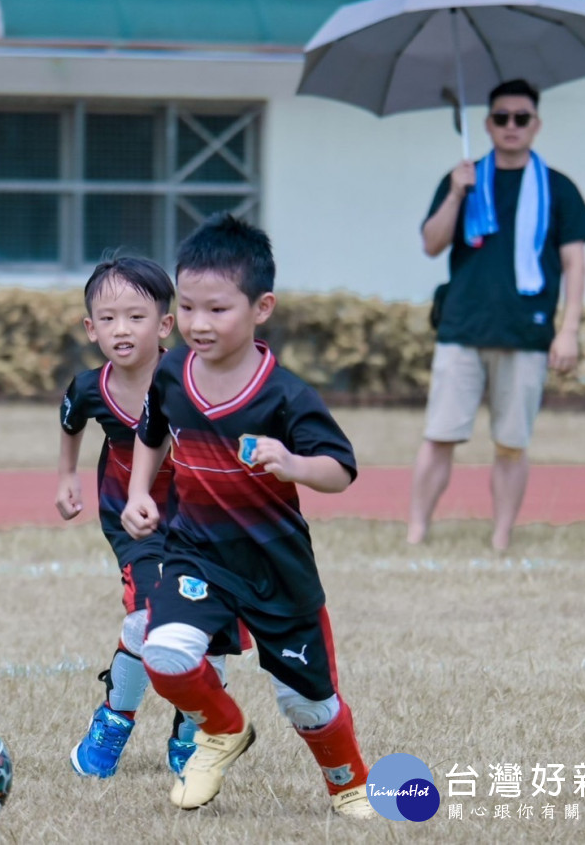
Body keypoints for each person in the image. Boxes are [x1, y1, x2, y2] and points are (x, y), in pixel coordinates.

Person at [121, 214, 374, 818]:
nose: (197, 324)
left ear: (262, 307)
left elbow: (340, 470)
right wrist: (138, 492)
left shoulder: (285, 395)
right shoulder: (171, 372)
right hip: (196, 554)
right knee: (166, 654)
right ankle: (224, 729)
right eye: (186, 308)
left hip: (275, 569)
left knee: (309, 704)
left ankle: (349, 784)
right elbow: (152, 432)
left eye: (217, 310)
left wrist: (292, 462)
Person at [407, 79, 585, 552]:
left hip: (527, 331)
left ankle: (501, 537)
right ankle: (416, 531)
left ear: (536, 124)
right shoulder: (464, 178)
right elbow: (431, 244)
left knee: (512, 443)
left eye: (521, 117)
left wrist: (569, 329)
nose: (511, 126)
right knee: (439, 436)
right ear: (488, 124)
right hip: (462, 329)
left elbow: (575, 263)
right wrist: (455, 193)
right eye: (501, 117)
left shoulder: (558, 188)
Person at [58, 256, 224, 778]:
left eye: (135, 317)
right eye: (107, 319)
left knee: (209, 628)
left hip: (203, 521)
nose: (121, 329)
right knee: (144, 619)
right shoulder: (89, 386)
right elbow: (71, 422)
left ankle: (191, 730)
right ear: (90, 328)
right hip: (133, 521)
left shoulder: (194, 377)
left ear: (165, 324)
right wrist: (68, 476)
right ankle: (114, 719)